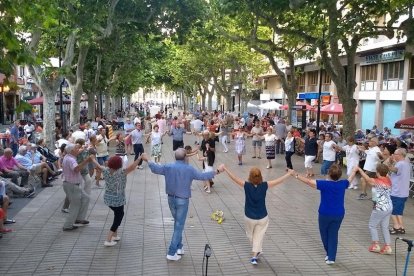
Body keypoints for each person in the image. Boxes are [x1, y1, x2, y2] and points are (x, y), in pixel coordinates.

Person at [141, 149, 221, 261]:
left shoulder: (168, 167)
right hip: (182, 201)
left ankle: (179, 247)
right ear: (185, 158)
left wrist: (148, 159)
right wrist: (217, 171)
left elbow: (155, 169)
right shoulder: (189, 169)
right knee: (179, 225)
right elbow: (202, 176)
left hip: (170, 199)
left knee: (178, 224)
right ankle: (171, 252)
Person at [220, 164, 291, 265]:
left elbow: (234, 178)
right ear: (261, 176)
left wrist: (226, 168)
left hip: (249, 217)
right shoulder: (265, 185)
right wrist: (289, 174)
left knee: (251, 236)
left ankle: (254, 255)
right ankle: (256, 252)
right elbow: (279, 180)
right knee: (258, 236)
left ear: (250, 176)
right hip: (263, 217)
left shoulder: (246, 185)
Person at [290, 164, 358, 265]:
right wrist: (355, 170)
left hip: (325, 214)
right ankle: (331, 257)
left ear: (329, 173)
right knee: (333, 234)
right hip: (339, 214)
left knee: (324, 234)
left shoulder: (324, 184)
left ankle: (329, 253)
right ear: (339, 175)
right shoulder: (343, 184)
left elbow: (309, 181)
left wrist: (295, 174)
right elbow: (350, 178)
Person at [91, 155, 143, 246]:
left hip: (108, 198)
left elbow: (98, 166)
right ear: (119, 164)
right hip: (118, 199)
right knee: (119, 216)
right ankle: (108, 239)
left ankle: (115, 235)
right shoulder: (122, 172)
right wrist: (140, 158)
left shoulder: (106, 170)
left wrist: (92, 159)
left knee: (117, 214)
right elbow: (133, 166)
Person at [356, 164, 393, 255]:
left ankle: (376, 245)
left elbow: (367, 179)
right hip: (389, 207)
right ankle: (388, 247)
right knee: (384, 226)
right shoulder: (388, 180)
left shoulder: (376, 181)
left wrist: (360, 170)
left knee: (372, 225)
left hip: (380, 207)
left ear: (378, 172)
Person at [61, 143, 93, 231]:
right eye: (76, 148)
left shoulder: (68, 157)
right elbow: (76, 169)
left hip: (72, 184)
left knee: (86, 198)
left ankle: (79, 219)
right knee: (75, 205)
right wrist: (87, 161)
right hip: (72, 185)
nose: (78, 149)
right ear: (71, 151)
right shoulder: (71, 160)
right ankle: (68, 225)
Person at [388, 148, 410, 235]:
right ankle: (401, 227)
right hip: (403, 192)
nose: (393, 155)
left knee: (393, 210)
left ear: (400, 155)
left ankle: (396, 227)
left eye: (395, 154)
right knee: (399, 211)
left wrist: (389, 163)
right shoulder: (407, 163)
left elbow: (394, 170)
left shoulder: (400, 164)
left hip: (397, 192)